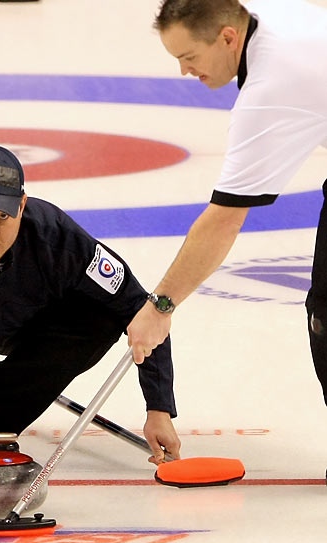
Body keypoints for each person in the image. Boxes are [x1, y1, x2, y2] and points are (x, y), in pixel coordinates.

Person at [0, 143, 182, 460]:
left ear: (22, 205)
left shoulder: (53, 236)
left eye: (3, 216)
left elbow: (141, 308)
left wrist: (159, 406)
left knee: (103, 315)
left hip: (17, 328)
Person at [127, 0, 327, 440]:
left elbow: (224, 220)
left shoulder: (270, 90)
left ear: (228, 38)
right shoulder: (254, 13)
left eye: (190, 57)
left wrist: (161, 306)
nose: (184, 71)